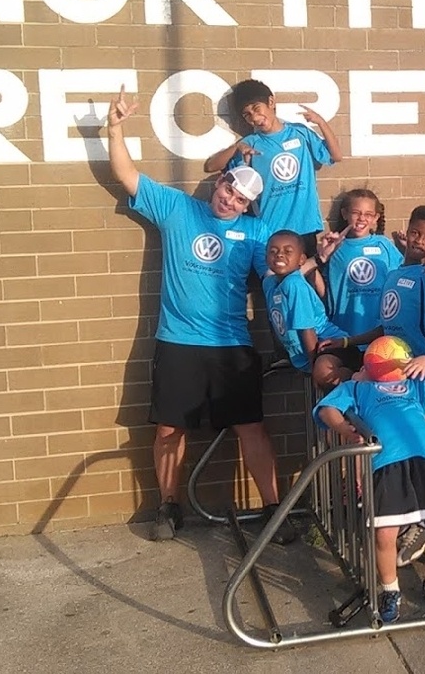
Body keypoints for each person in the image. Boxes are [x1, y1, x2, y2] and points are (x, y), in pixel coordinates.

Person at [104, 87, 296, 545]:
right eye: (230, 188)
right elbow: (127, 174)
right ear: (221, 182)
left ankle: (274, 510)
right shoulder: (177, 208)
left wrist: (308, 266)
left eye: (242, 198)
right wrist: (115, 128)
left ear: (249, 205)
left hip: (232, 346)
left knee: (252, 428)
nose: (231, 199)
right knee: (170, 428)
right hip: (178, 342)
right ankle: (169, 507)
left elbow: (278, 272)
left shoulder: (256, 233)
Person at [321, 203, 425, 568]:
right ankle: (409, 525)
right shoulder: (394, 273)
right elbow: (387, 328)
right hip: (392, 384)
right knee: (397, 458)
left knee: (422, 460)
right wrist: (348, 343)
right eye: (416, 233)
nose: (420, 241)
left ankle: (424, 526)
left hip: (422, 387)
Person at [313, 355, 425, 623]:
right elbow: (327, 409)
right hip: (387, 461)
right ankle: (390, 590)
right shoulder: (357, 388)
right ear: (361, 370)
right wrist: (343, 428)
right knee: (384, 534)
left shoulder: (410, 384)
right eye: (368, 365)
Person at [203, 79, 343, 255]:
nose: (254, 118)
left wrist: (321, 123)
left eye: (256, 108)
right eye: (247, 115)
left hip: (304, 225)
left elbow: (336, 156)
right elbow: (210, 166)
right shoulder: (249, 144)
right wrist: (235, 148)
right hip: (271, 229)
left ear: (271, 102)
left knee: (305, 278)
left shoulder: (300, 132)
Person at [314, 188, 404, 368]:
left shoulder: (385, 245)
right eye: (356, 213)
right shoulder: (335, 247)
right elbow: (324, 291)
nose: (362, 218)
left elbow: (400, 283)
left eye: (368, 214)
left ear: (376, 218)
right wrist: (318, 259)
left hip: (378, 335)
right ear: (345, 214)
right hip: (343, 332)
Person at [260, 230, 355, 391]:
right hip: (309, 354)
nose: (279, 255)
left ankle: (356, 376)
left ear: (301, 259)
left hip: (329, 345)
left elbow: (307, 329)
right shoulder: (269, 284)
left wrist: (313, 367)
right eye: (273, 251)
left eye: (288, 251)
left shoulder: (294, 285)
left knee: (323, 374)